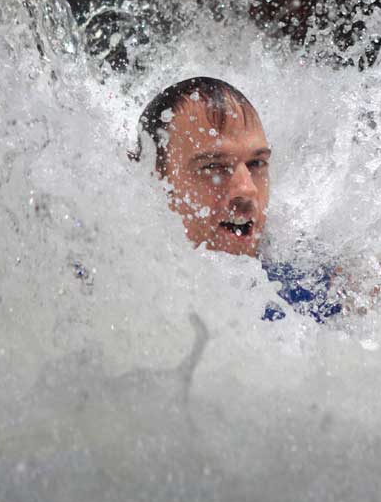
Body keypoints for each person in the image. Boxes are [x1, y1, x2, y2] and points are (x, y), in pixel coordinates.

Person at [131, 76, 343, 321]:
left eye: (256, 164)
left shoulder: (310, 283)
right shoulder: (116, 287)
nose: (247, 189)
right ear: (152, 179)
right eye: (213, 167)